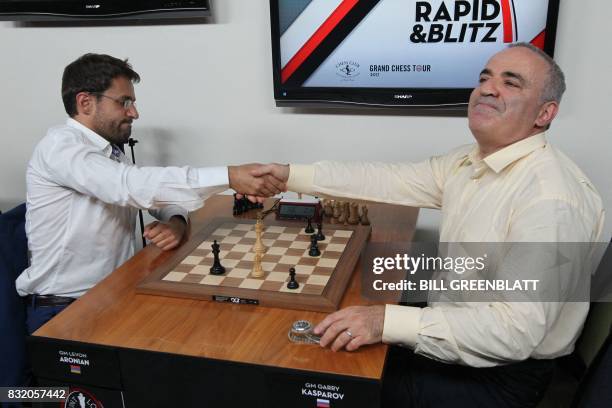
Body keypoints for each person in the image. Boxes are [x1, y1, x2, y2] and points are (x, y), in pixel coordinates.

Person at [253, 43, 605, 407]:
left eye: (511, 83)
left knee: (324, 381)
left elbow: (516, 332)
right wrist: (288, 175)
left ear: (545, 113)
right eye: (484, 78)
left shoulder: (551, 201)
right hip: (451, 332)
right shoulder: (469, 162)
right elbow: (386, 179)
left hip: (500, 376)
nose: (487, 88)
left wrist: (384, 321)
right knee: (322, 347)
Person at [17, 53, 285, 334]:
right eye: (124, 102)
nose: (134, 113)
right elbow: (132, 187)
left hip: (113, 294)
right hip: (65, 311)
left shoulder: (107, 152)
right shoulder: (60, 149)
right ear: (85, 102)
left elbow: (156, 197)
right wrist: (230, 176)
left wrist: (177, 223)